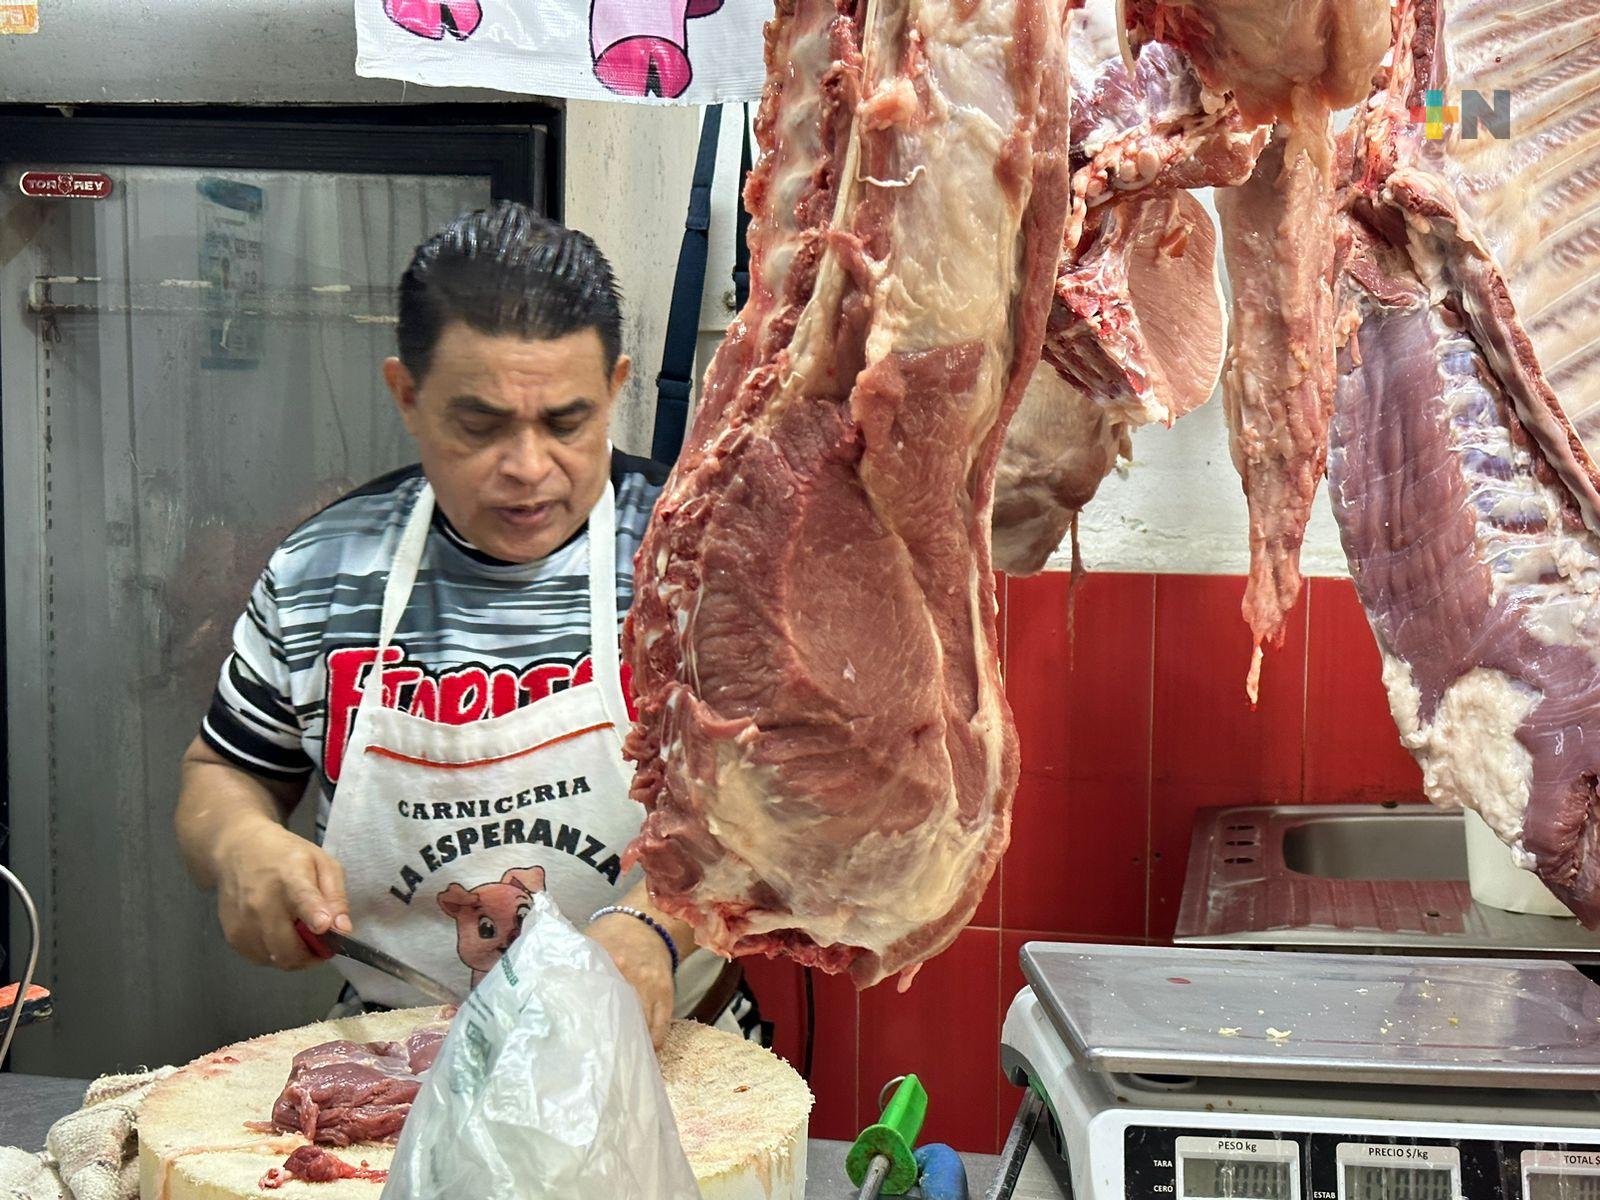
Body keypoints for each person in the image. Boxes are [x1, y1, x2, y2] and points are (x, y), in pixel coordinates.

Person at [175, 203, 760, 1046]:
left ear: (616, 388)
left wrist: (658, 924)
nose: (528, 469)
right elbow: (222, 774)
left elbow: (768, 811)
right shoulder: (321, 573)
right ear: (406, 396)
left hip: (665, 1057)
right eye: (480, 425)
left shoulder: (700, 561)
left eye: (567, 422)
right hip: (396, 1063)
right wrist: (239, 844)